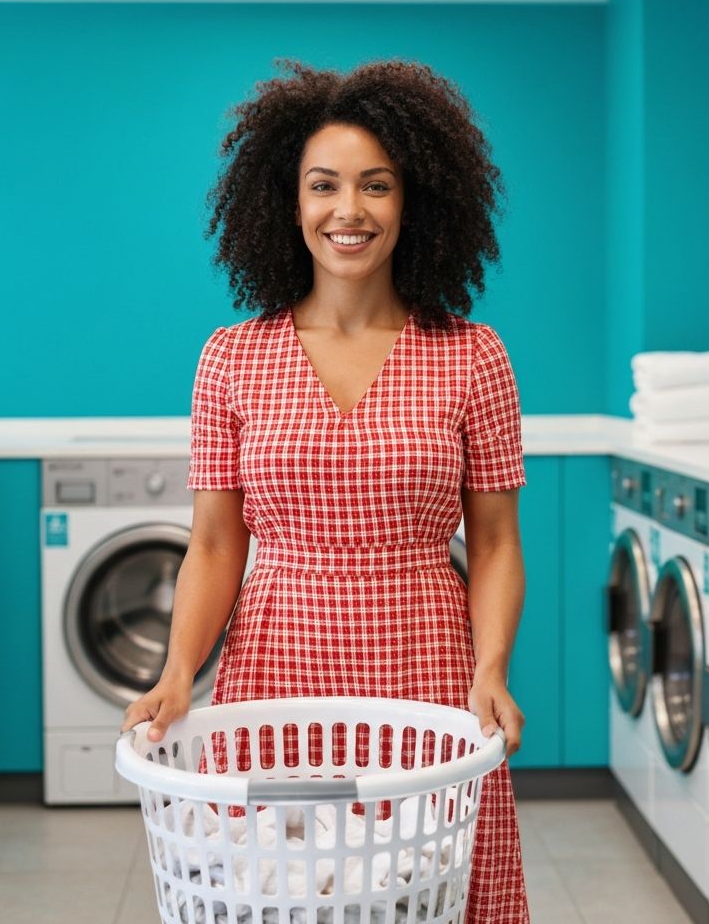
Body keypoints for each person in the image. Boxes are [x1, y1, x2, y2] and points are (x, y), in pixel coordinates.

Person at [121, 59, 530, 922]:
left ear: (414, 202)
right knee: (284, 888)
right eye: (325, 186)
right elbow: (215, 543)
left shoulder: (474, 356)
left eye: (376, 186)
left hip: (424, 661)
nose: (349, 211)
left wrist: (489, 667)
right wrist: (177, 671)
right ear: (289, 203)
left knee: (424, 887)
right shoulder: (230, 359)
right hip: (277, 660)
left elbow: (493, 542)